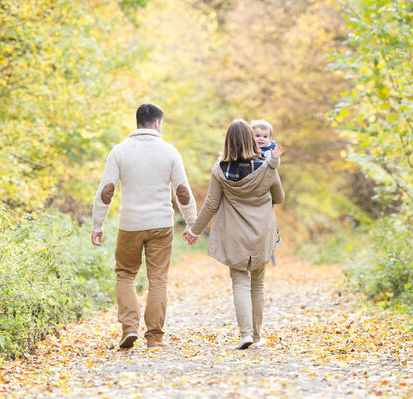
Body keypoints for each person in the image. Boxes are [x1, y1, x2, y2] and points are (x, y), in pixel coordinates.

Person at [91, 102, 197, 350]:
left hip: (130, 224)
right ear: (158, 123)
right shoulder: (170, 151)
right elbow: (183, 192)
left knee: (125, 274)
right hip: (161, 224)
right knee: (158, 279)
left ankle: (129, 329)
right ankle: (154, 337)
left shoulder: (119, 151)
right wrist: (192, 223)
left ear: (137, 122)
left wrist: (98, 224)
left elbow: (106, 191)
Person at [183, 119, 284, 350]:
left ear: (228, 143)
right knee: (257, 284)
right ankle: (257, 337)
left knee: (239, 281)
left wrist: (194, 230)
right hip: (261, 233)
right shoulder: (267, 166)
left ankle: (245, 334)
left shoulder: (220, 170)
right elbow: (279, 198)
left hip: (235, 235)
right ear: (251, 140)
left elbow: (210, 204)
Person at [251, 119, 282, 264]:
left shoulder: (270, 151)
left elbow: (273, 166)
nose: (261, 139)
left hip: (265, 188)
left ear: (270, 138)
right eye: (257, 136)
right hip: (251, 187)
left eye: (264, 137)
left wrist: (275, 158)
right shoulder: (248, 148)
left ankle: (272, 242)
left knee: (268, 218)